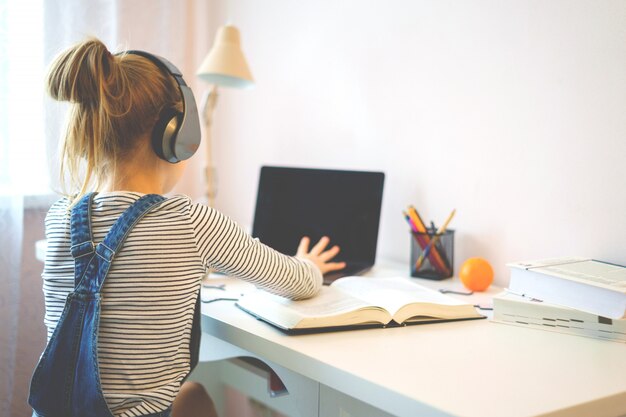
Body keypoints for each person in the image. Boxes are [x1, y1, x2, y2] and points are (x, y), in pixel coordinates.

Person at [32, 37, 345, 417]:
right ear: (176, 134)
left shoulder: (61, 216)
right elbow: (297, 282)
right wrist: (308, 263)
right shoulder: (190, 220)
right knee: (193, 396)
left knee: (194, 395)